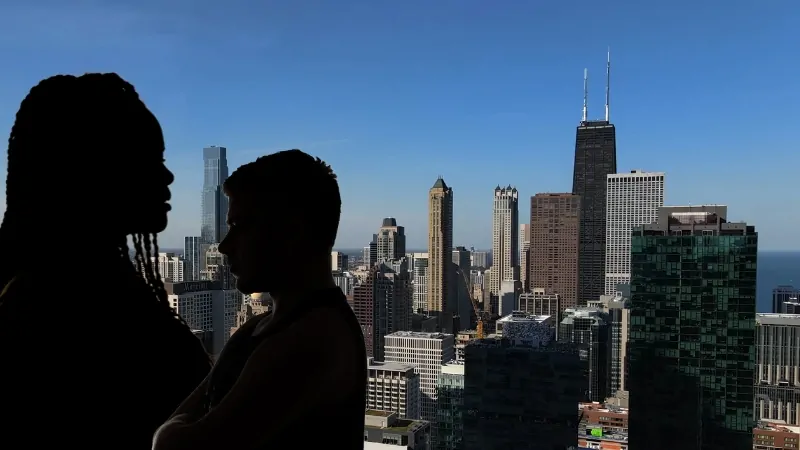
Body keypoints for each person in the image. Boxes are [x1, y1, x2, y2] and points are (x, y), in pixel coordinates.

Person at [0, 74, 212, 449]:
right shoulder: (76, 315)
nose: (168, 174)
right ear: (90, 170)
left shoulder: (41, 296)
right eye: (148, 159)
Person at [152, 150, 367, 450]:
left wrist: (166, 433)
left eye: (240, 226)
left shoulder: (314, 339)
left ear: (291, 232)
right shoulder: (257, 328)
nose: (225, 246)